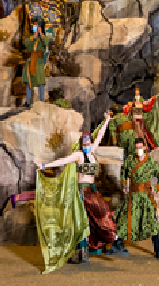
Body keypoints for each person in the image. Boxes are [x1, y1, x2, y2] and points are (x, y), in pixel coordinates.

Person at [34, 111, 130, 263]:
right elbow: (63, 160)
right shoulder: (79, 155)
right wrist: (45, 165)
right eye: (84, 144)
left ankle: (91, 250)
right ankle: (114, 240)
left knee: (91, 220)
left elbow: (100, 136)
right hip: (83, 191)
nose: (86, 146)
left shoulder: (92, 152)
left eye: (88, 143)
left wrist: (106, 121)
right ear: (81, 144)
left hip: (92, 189)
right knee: (101, 213)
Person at [115, 138, 159, 260]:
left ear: (144, 147)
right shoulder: (130, 160)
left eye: (140, 147)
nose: (138, 149)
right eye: (136, 147)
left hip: (146, 197)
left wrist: (156, 187)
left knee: (152, 223)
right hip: (132, 196)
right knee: (124, 220)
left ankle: (158, 250)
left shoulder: (151, 162)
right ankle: (116, 245)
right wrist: (124, 185)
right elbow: (123, 171)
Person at [22, 18, 50, 106]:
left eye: (37, 25)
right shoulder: (29, 36)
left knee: (40, 81)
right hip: (30, 61)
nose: (35, 26)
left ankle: (42, 101)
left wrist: (40, 34)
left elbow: (46, 43)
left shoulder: (44, 37)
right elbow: (26, 43)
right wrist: (34, 35)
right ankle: (27, 102)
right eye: (34, 25)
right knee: (29, 82)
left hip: (39, 62)